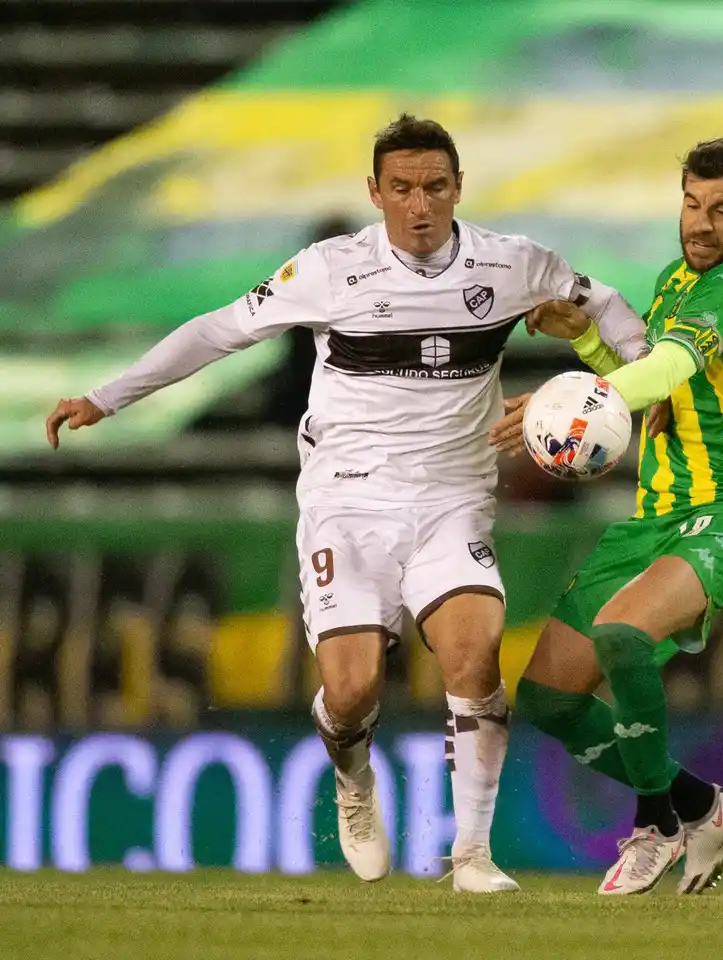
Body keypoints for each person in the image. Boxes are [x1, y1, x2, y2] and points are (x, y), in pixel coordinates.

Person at [43, 114, 649, 893]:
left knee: (474, 653)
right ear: (375, 192)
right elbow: (217, 332)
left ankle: (470, 855)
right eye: (401, 189)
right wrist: (105, 396)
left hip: (453, 498)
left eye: (434, 186)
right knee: (354, 686)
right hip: (348, 498)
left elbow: (607, 304)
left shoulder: (512, 264)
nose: (419, 205)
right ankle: (352, 772)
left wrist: (636, 384)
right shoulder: (331, 270)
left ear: (458, 188)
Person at [490, 134, 723, 895]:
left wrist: (572, 402)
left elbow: (669, 367)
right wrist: (588, 341)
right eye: (692, 204)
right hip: (654, 516)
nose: (701, 224)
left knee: (623, 633)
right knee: (551, 700)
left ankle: (656, 824)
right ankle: (703, 806)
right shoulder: (676, 280)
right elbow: (654, 385)